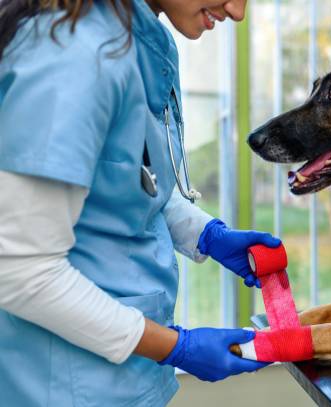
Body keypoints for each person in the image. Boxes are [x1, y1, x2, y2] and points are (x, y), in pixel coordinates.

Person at [0, 0, 278, 405]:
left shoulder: (145, 44)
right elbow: (21, 270)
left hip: (124, 381)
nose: (238, 11)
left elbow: (130, 178)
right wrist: (174, 347)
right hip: (60, 385)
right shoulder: (75, 57)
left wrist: (208, 236)